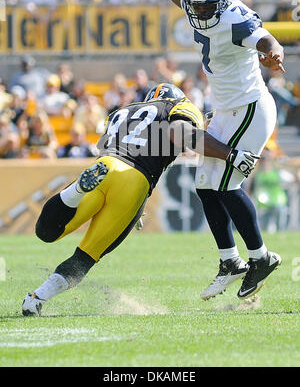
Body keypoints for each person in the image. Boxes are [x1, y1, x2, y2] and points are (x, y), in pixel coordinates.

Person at [22, 83, 258, 316]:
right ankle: (37, 298)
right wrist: (230, 154)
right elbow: (183, 133)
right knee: (86, 256)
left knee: (47, 232)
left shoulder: (122, 111)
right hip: (135, 181)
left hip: (105, 164)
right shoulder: (178, 106)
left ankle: (75, 191)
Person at [147, 0, 284, 300]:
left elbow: (265, 37)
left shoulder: (234, 18)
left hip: (250, 108)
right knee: (205, 185)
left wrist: (273, 53)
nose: (200, 9)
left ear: (221, 3)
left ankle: (261, 257)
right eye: (197, 3)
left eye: (207, 4)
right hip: (227, 109)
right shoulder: (196, 2)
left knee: (226, 184)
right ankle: (231, 261)